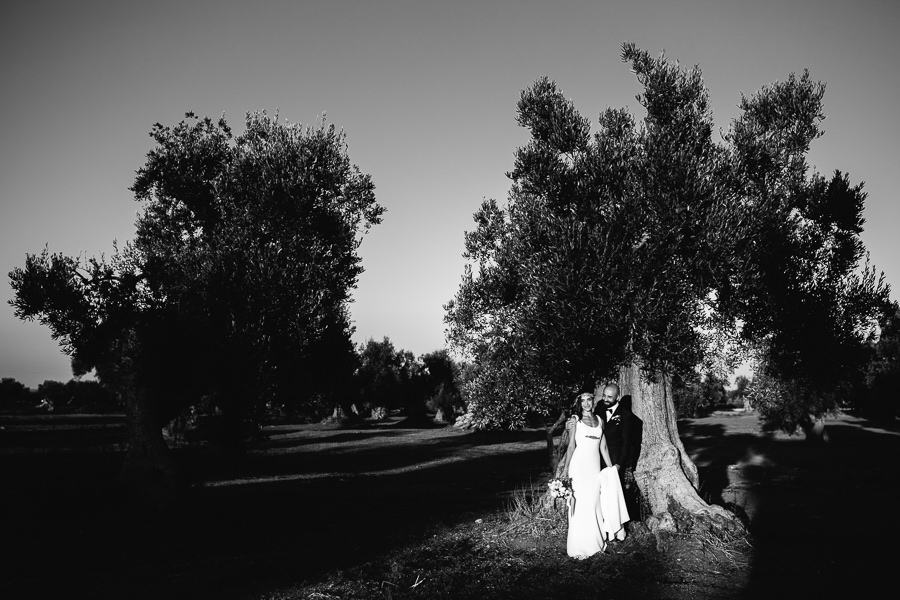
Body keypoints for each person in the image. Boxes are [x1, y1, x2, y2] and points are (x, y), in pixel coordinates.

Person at [561, 392, 629, 558]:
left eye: (589, 400)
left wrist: (611, 469)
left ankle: (596, 541)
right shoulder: (575, 422)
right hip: (578, 468)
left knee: (594, 503)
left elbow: (603, 447)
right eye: (583, 401)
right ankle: (579, 546)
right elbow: (571, 447)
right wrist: (565, 468)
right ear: (580, 404)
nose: (586, 404)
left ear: (593, 401)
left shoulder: (600, 421)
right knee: (579, 504)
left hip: (594, 469)